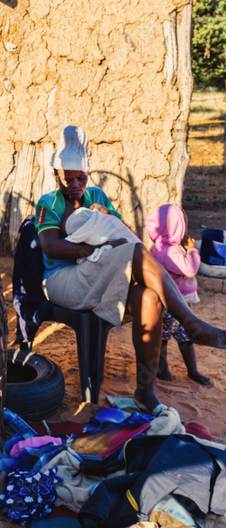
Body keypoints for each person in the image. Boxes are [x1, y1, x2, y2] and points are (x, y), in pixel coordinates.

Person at [34, 126, 225, 412]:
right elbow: (51, 247)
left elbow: (120, 231)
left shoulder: (96, 195)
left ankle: (145, 391)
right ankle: (190, 323)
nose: (75, 184)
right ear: (55, 175)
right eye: (68, 179)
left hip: (98, 272)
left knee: (149, 298)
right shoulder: (48, 203)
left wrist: (106, 214)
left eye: (81, 177)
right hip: (63, 280)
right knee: (135, 252)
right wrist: (93, 249)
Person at [146, 204, 211, 386]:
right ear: (176, 227)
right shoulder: (169, 251)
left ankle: (173, 368)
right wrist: (192, 250)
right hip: (175, 303)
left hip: (171, 301)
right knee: (178, 335)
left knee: (168, 335)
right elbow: (190, 269)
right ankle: (183, 370)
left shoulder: (160, 246)